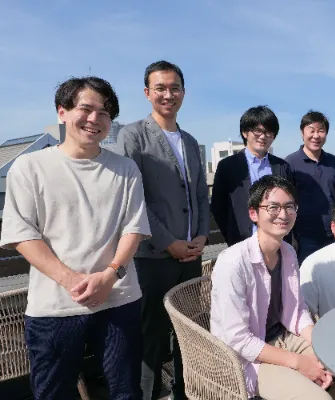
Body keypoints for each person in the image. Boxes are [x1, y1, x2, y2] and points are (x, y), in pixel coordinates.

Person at [0, 77, 151, 399]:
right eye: (86, 109)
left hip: (119, 298)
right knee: (52, 392)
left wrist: (110, 276)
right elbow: (21, 234)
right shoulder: (29, 166)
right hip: (54, 306)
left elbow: (134, 228)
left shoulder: (125, 169)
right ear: (62, 112)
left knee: (125, 391)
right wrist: (72, 281)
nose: (95, 119)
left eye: (105, 113)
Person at [116, 60, 210, 400]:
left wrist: (202, 235)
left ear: (183, 92)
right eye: (160, 88)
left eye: (174, 88)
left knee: (188, 330)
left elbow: (200, 194)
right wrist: (169, 242)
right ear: (147, 93)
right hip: (153, 256)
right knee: (152, 334)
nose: (168, 95)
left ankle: (185, 392)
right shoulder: (132, 135)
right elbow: (133, 196)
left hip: (191, 254)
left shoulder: (190, 140)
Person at [210, 175, 333, 400]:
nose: (283, 215)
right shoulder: (233, 262)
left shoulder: (288, 252)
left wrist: (319, 345)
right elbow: (237, 339)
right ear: (253, 213)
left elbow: (297, 311)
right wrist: (299, 362)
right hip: (247, 357)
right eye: (273, 207)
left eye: (289, 207)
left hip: (283, 338)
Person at [211, 106, 294, 246]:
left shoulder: (282, 166)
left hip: (277, 242)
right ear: (245, 132)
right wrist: (231, 235)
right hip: (241, 241)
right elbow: (218, 206)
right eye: (257, 131)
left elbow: (291, 202)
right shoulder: (228, 166)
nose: (263, 136)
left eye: (268, 132)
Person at [285, 111, 335, 265]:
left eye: (321, 130)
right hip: (304, 236)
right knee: (307, 275)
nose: (316, 135)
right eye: (311, 130)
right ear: (302, 133)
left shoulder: (332, 160)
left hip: (333, 232)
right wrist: (291, 237)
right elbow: (286, 201)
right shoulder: (290, 162)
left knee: (334, 274)